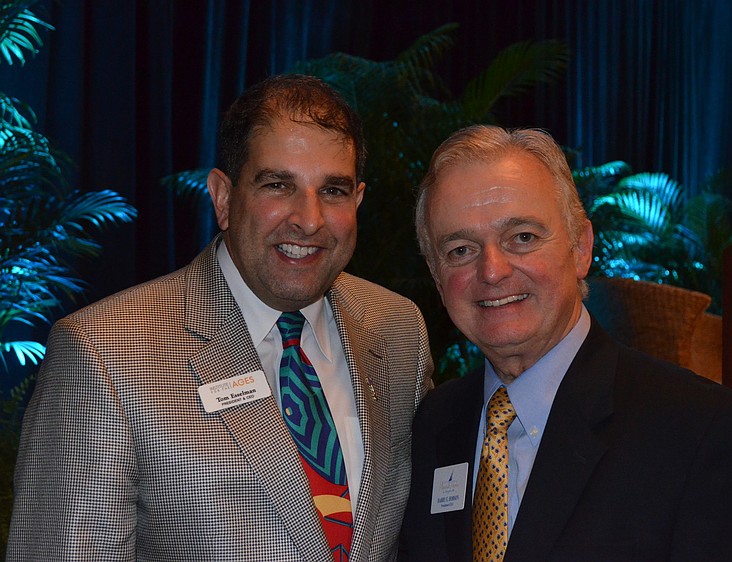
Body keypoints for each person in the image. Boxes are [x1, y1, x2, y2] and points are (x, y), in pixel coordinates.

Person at [9, 74, 433, 562]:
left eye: (332, 191)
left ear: (357, 201)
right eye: (278, 185)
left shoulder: (398, 329)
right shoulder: (105, 352)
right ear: (223, 197)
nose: (309, 219)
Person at [399, 125, 732, 561]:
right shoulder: (431, 427)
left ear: (581, 248)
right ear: (437, 279)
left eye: (522, 238)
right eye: (460, 250)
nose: (492, 270)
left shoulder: (702, 432)